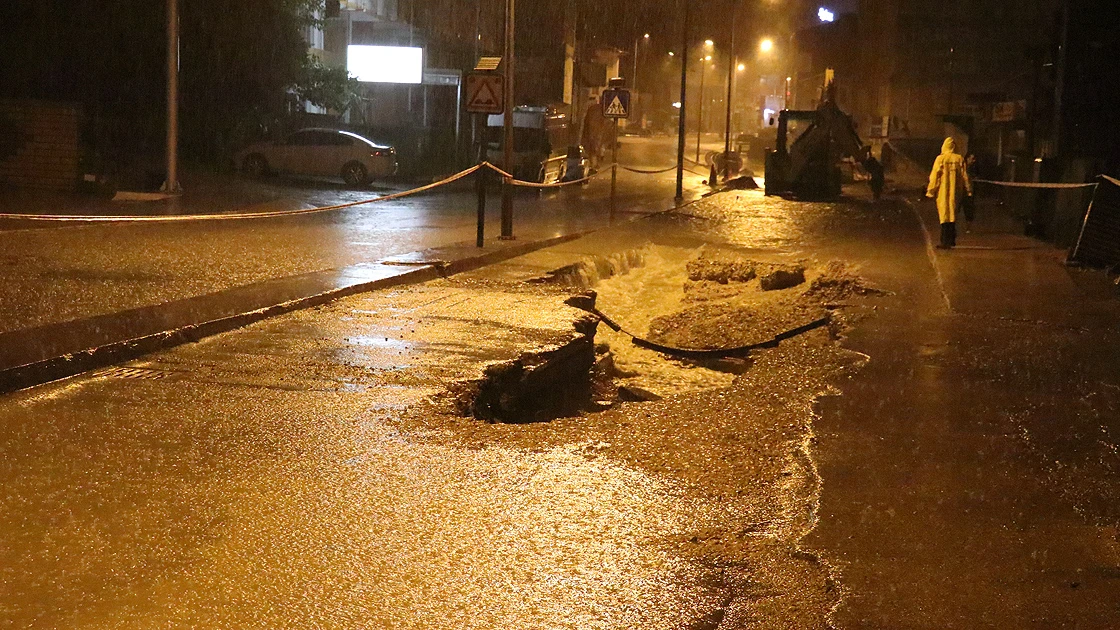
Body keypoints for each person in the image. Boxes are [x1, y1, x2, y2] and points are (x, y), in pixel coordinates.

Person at [926, 137, 972, 249]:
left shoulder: (940, 159)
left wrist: (931, 191)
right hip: (956, 192)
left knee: (944, 216)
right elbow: (965, 176)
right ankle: (951, 240)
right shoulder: (959, 159)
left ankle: (944, 241)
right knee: (952, 215)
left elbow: (935, 176)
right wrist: (968, 190)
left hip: (942, 192)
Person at [961, 153, 978, 231]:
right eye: (972, 158)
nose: (973, 161)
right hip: (961, 191)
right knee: (955, 208)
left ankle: (968, 227)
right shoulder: (962, 167)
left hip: (969, 192)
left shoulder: (973, 168)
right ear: (967, 158)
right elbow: (966, 178)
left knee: (969, 209)